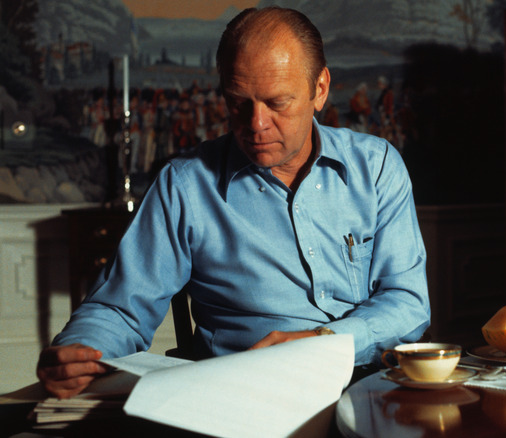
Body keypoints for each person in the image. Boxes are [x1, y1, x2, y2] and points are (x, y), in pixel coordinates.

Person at [37, 6, 430, 399]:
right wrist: (78, 352)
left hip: (373, 391)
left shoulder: (375, 166)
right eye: (238, 102)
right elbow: (120, 308)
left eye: (277, 103)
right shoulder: (186, 187)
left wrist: (324, 340)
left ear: (320, 89)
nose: (256, 125)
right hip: (245, 400)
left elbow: (408, 302)